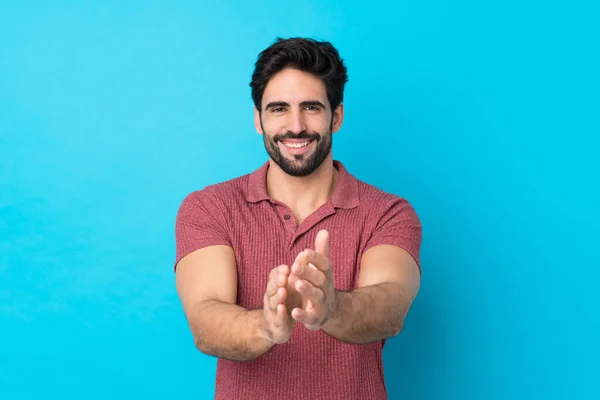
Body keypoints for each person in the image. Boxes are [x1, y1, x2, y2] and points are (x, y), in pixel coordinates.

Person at [173, 37, 422, 400]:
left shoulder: (388, 212)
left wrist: (331, 308)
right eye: (278, 109)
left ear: (336, 116)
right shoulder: (209, 207)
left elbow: (390, 305)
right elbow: (206, 321)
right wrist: (267, 325)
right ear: (258, 119)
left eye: (311, 107)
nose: (295, 126)